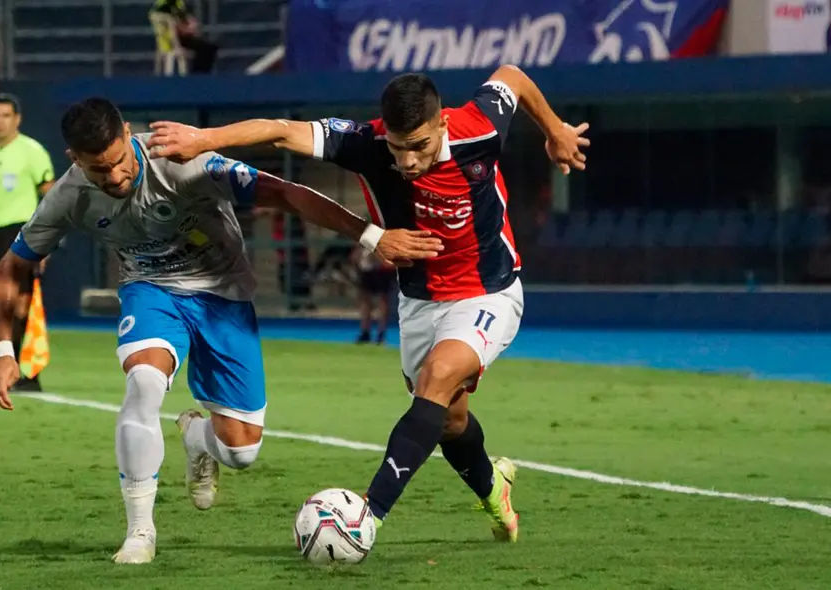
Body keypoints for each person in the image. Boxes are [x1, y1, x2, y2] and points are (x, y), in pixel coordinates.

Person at [0, 97, 443, 564]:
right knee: (143, 383)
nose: (116, 177)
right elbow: (10, 268)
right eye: (100, 171)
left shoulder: (185, 163)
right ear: (75, 160)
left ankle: (196, 438)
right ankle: (140, 532)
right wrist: (2, 349)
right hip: (150, 290)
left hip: (223, 294)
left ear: (127, 135)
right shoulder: (68, 194)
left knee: (242, 451)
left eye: (120, 161)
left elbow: (283, 192)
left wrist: (372, 236)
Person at [145, 64, 590, 544]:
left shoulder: (477, 126)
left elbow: (513, 77)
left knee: (437, 379)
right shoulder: (365, 143)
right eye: (399, 148)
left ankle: (366, 517)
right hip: (419, 301)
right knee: (449, 418)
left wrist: (555, 130)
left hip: (489, 290)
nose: (409, 161)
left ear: (442, 124)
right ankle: (492, 488)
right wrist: (204, 138)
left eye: (419, 146)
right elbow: (279, 132)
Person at [0, 93, 55, 392]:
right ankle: (4, 369)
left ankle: (29, 374)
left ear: (17, 119)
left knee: (22, 304)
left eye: (4, 115)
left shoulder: (31, 151)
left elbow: (50, 194)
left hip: (23, 233)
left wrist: (45, 241)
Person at [354, 244, 394, 344]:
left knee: (382, 300)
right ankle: (365, 331)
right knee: (366, 299)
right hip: (368, 266)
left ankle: (380, 332)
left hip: (382, 265)